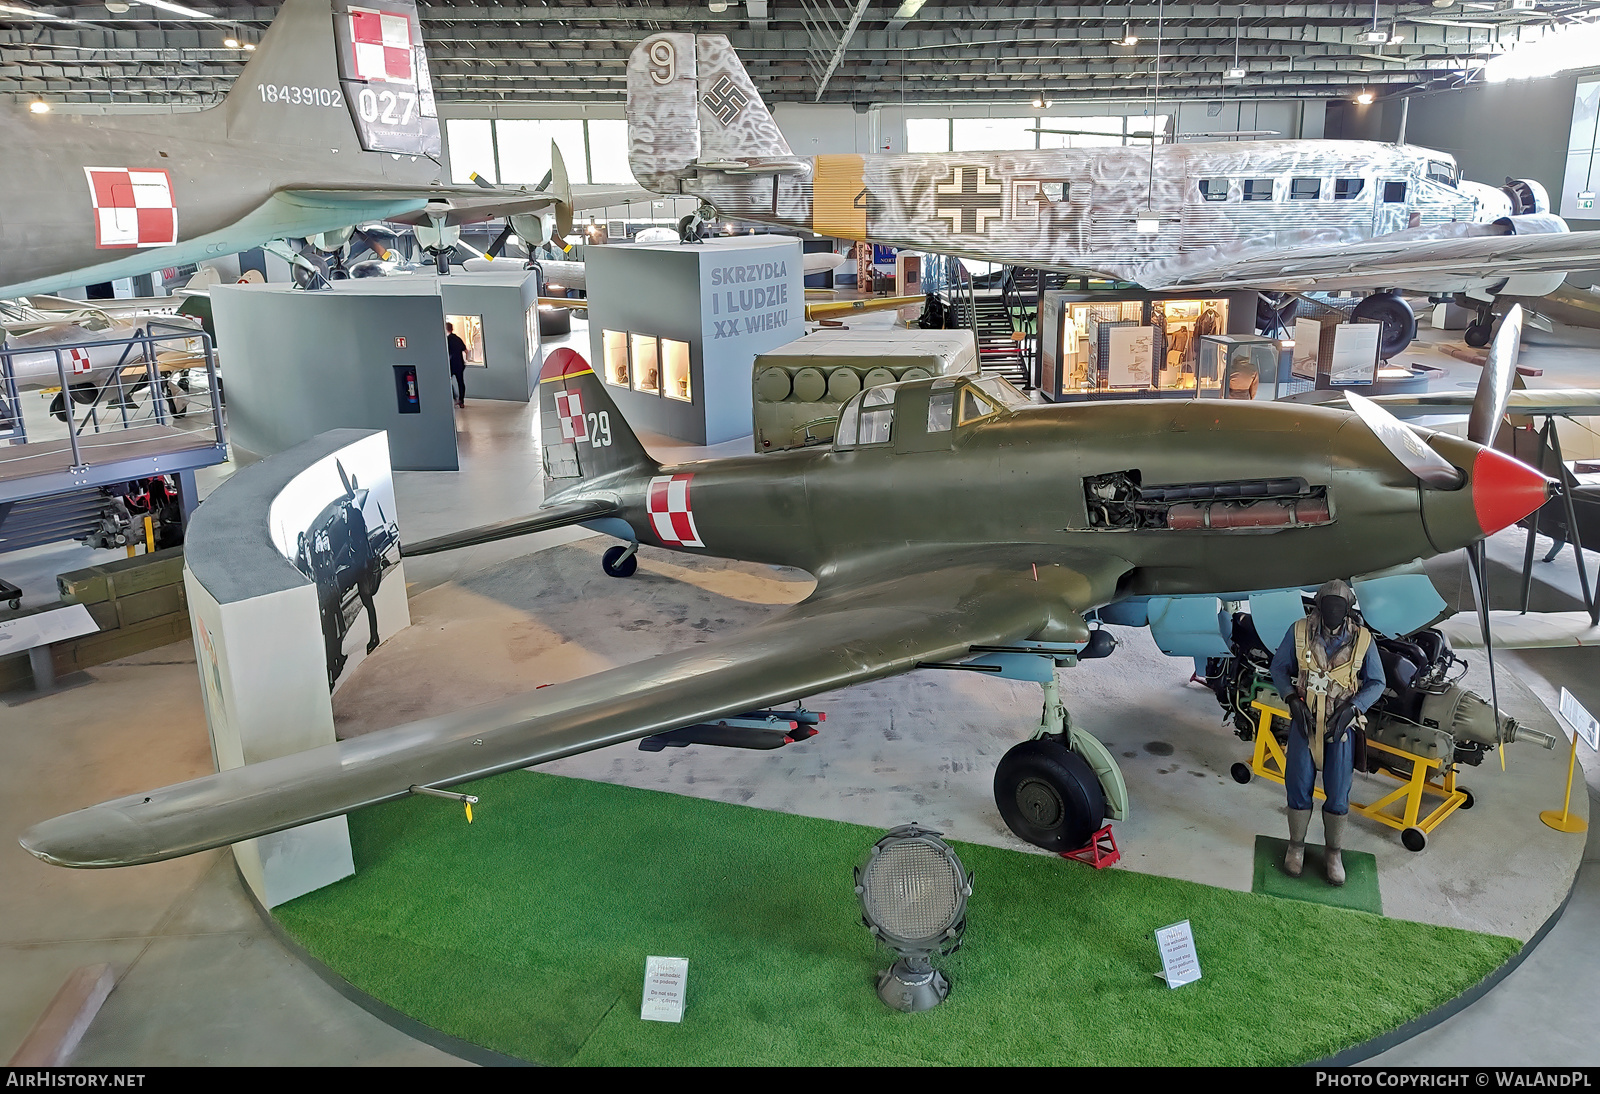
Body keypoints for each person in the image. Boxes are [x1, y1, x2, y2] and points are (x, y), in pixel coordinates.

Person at [1268, 579, 1385, 886]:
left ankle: (1333, 852)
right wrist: (1291, 699)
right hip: (1304, 722)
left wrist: (1353, 708)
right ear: (1318, 605)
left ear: (1348, 609)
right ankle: (1296, 845)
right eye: (1327, 605)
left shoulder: (1362, 641)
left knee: (1338, 790)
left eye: (1340, 606)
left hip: (1341, 729)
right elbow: (1278, 667)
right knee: (1297, 782)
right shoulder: (1299, 632)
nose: (1333, 612)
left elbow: (1377, 682)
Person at [446, 321, 468, 408]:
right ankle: (461, 400)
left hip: (451, 364)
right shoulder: (458, 339)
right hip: (460, 364)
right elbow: (466, 350)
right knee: (460, 382)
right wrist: (467, 360)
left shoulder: (447, 340)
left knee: (447, 381)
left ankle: (454, 397)